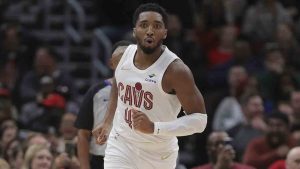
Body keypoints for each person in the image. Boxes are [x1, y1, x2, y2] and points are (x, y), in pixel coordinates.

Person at [92, 3, 207, 169]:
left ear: (165, 32)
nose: (150, 30)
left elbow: (200, 121)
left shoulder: (176, 71)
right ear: (134, 30)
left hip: (158, 155)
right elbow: (118, 83)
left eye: (157, 26)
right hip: (122, 145)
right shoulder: (122, 55)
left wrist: (154, 127)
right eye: (144, 25)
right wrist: (108, 121)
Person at [75, 41, 131, 169]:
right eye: (120, 58)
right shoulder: (97, 91)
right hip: (101, 159)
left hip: (132, 159)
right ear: (111, 63)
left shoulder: (145, 91)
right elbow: (83, 133)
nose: (125, 63)